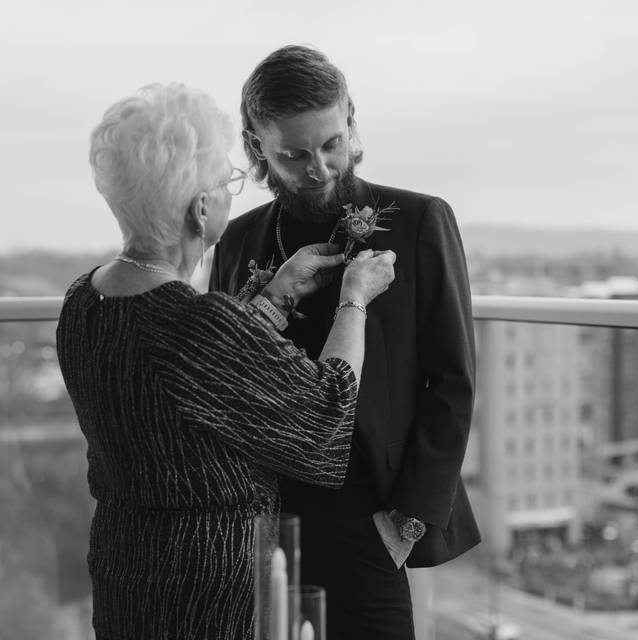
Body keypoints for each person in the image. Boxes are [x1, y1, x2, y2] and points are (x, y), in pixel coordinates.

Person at [56, 82, 396, 640]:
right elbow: (325, 423)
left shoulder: (83, 301)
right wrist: (353, 300)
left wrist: (275, 298)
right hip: (208, 596)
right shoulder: (196, 324)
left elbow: (187, 389)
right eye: (226, 181)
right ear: (200, 209)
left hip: (124, 574)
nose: (232, 192)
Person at [210, 45, 481, 639]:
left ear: (351, 122)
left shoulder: (420, 220)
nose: (321, 168)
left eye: (332, 143)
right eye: (295, 154)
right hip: (263, 522)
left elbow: (453, 382)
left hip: (372, 521)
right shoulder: (236, 241)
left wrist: (404, 524)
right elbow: (225, 385)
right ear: (258, 149)